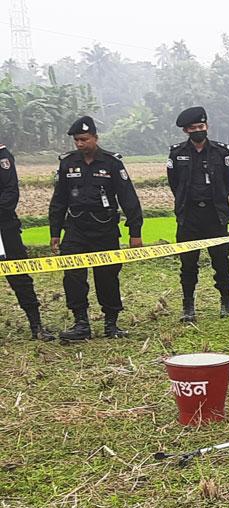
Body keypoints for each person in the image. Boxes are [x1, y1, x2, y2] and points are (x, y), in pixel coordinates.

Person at [49, 116, 143, 340]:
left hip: (105, 229)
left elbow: (128, 198)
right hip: (75, 229)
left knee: (108, 276)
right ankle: (81, 323)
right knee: (73, 276)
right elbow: (59, 200)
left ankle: (111, 324)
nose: (80, 144)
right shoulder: (68, 163)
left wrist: (135, 232)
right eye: (76, 140)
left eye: (84, 139)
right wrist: (54, 232)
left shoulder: (112, 163)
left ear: (95, 138)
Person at [167, 106, 229, 322]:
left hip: (215, 215)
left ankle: (225, 301)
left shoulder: (221, 152)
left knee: (221, 261)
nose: (199, 130)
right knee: (188, 263)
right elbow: (174, 184)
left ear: (207, 127)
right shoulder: (177, 154)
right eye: (194, 128)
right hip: (189, 216)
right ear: (186, 131)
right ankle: (188, 306)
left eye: (201, 126)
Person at [1, 143, 55, 340]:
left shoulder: (2, 156)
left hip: (3, 228)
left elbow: (10, 193)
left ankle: (36, 325)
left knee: (18, 274)